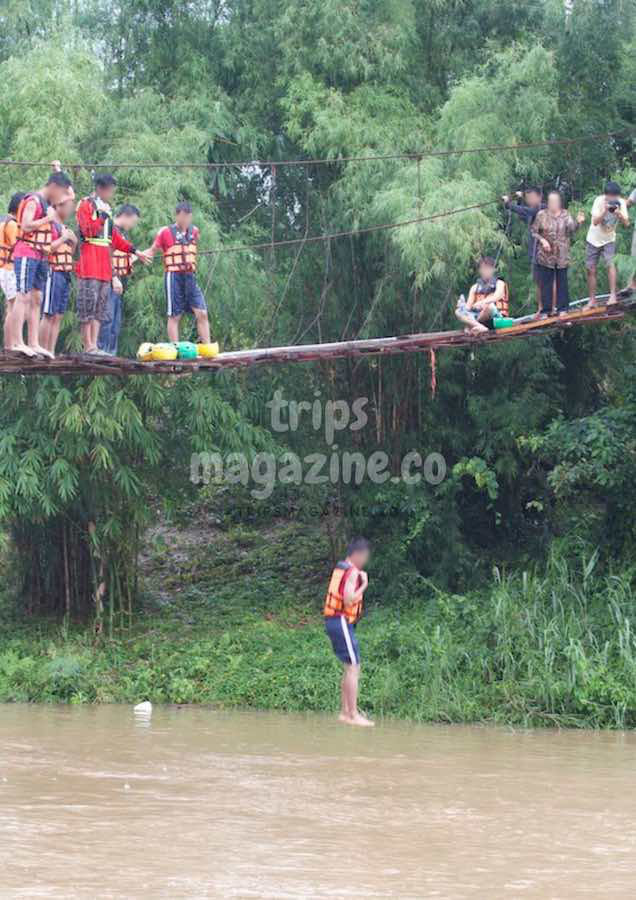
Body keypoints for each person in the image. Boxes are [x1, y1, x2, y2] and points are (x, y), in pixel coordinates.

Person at [76, 174, 149, 355]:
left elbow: (114, 238)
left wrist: (134, 251)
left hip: (104, 269)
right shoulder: (86, 204)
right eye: (110, 190)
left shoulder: (106, 208)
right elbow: (88, 229)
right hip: (89, 264)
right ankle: (88, 346)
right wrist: (101, 215)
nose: (112, 194)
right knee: (88, 307)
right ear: (101, 188)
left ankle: (95, 345)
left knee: (100, 309)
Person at [6, 170, 73, 357]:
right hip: (26, 252)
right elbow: (26, 225)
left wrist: (58, 168)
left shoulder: (47, 204)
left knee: (37, 299)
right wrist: (48, 218)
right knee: (23, 296)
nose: (61, 199)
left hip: (41, 256)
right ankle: (18, 342)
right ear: (54, 187)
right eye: (61, 193)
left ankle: (33, 342)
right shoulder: (34, 201)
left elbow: (69, 195)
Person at [143, 202, 211, 343]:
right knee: (175, 316)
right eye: (183, 216)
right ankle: (175, 348)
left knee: (202, 313)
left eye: (188, 216)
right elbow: (152, 250)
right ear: (177, 216)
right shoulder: (165, 232)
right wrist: (136, 255)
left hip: (190, 276)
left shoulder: (194, 231)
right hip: (173, 276)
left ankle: (208, 347)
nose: (185, 220)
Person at [323, 537, 374, 727]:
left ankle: (345, 712)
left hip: (336, 621)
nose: (365, 560)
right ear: (358, 555)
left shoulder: (342, 567)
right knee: (353, 666)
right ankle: (353, 715)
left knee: (350, 666)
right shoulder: (352, 572)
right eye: (365, 556)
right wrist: (363, 586)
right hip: (340, 620)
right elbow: (348, 600)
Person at [531, 191, 585, 318]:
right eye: (550, 201)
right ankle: (546, 310)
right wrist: (542, 240)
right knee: (546, 283)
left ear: (560, 202)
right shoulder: (541, 214)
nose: (552, 204)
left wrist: (579, 222)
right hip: (545, 255)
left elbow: (572, 230)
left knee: (562, 282)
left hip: (561, 254)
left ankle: (562, 309)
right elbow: (534, 231)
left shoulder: (566, 215)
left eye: (555, 201)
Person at [97, 204, 141, 356]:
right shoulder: (109, 229)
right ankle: (101, 350)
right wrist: (114, 278)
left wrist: (140, 256)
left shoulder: (122, 234)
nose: (133, 226)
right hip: (108, 280)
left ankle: (111, 352)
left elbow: (123, 256)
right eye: (133, 222)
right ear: (126, 216)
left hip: (118, 283)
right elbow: (105, 255)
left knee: (115, 322)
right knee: (106, 317)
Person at [40, 192, 78, 356]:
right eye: (69, 206)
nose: (71, 210)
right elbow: (45, 249)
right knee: (48, 313)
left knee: (58, 316)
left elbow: (70, 253)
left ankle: (50, 351)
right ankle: (41, 350)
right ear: (58, 206)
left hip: (65, 273)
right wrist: (63, 238)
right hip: (52, 270)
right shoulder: (50, 225)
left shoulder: (65, 228)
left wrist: (73, 242)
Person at [585, 181, 629, 307]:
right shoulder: (599, 201)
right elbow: (594, 222)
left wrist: (619, 213)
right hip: (593, 239)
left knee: (610, 265)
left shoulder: (621, 203)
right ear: (605, 195)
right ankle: (592, 300)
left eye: (614, 197)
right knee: (590, 269)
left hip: (609, 239)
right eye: (609, 197)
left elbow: (627, 224)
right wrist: (604, 211)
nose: (612, 199)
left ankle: (613, 296)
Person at [502, 187, 545, 311]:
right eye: (528, 198)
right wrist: (519, 199)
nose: (530, 200)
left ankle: (552, 307)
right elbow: (523, 214)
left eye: (532, 197)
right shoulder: (531, 212)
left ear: (539, 197)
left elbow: (526, 211)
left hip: (545, 252)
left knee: (547, 280)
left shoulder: (543, 208)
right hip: (534, 252)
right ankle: (541, 308)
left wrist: (508, 204)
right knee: (538, 281)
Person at [455, 256, 509, 335]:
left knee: (489, 306)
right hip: (480, 319)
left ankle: (471, 326)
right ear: (480, 270)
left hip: (496, 319)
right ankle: (479, 326)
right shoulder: (474, 287)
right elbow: (468, 307)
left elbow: (497, 296)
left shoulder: (500, 283)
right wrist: (461, 306)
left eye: (488, 268)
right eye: (483, 268)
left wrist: (482, 302)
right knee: (458, 312)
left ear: (494, 269)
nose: (485, 271)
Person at [0, 192, 25, 348]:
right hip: (9, 268)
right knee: (13, 306)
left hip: (5, 268)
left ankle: (10, 344)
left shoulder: (4, 221)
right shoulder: (12, 224)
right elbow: (18, 247)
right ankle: (11, 344)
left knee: (12, 306)